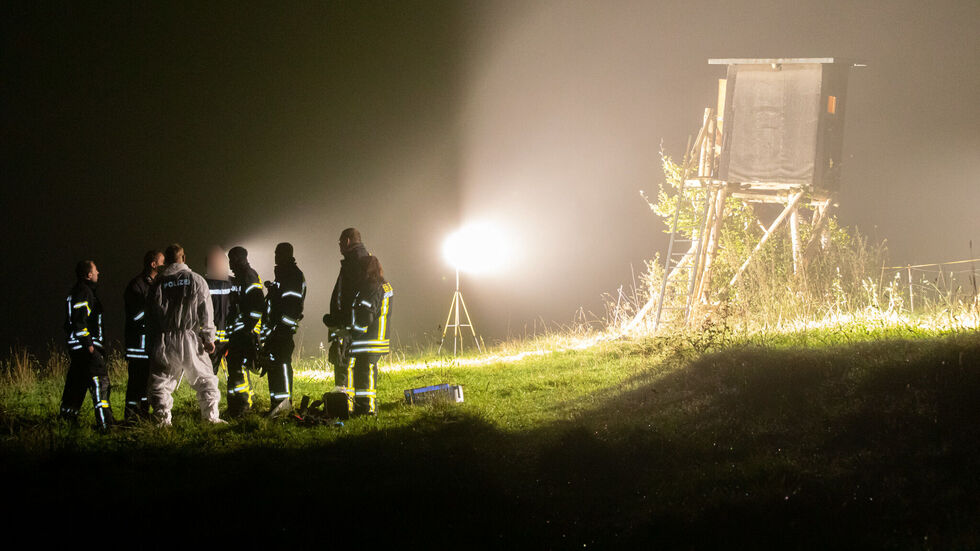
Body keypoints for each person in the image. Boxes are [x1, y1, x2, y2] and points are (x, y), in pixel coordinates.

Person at [145, 244, 224, 425]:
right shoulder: (196, 280)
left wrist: (151, 343)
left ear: (167, 260)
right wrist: (209, 338)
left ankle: (162, 421)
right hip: (190, 338)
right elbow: (206, 312)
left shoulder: (157, 283)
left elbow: (150, 317)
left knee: (161, 382)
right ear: (184, 258)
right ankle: (210, 418)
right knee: (205, 378)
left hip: (165, 339)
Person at [60, 260, 114, 432]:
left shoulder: (76, 291)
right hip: (87, 350)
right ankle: (106, 426)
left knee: (75, 386)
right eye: (96, 270)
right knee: (101, 384)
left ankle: (66, 423)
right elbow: (79, 322)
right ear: (89, 274)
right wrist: (90, 346)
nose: (99, 273)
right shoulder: (85, 292)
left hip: (77, 350)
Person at [259, 242, 306, 414]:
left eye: (278, 253)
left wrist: (281, 330)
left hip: (282, 331)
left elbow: (292, 307)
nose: (275, 256)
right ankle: (276, 405)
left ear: (286, 254)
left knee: (282, 364)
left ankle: (284, 405)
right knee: (274, 365)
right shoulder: (283, 275)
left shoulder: (292, 275)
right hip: (276, 330)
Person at [322, 228, 371, 387]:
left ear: (348, 241)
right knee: (346, 361)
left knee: (343, 361)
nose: (339, 246)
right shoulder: (361, 260)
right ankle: (346, 401)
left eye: (340, 242)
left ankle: (342, 402)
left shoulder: (354, 262)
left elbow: (348, 296)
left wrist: (340, 321)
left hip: (346, 325)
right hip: (350, 323)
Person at [346, 255, 393, 416]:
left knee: (364, 374)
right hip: (376, 339)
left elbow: (366, 315)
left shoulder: (371, 286)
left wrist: (353, 332)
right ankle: (364, 407)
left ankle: (367, 409)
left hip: (367, 340)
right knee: (365, 373)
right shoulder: (383, 284)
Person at [122, 249, 164, 422]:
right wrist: (152, 308)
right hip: (138, 346)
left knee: (148, 384)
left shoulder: (156, 284)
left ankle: (144, 416)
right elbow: (136, 316)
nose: (165, 265)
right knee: (136, 384)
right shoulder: (136, 285)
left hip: (149, 346)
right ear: (153, 264)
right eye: (162, 262)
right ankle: (131, 418)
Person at [226, 246, 264, 417]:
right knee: (235, 368)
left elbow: (257, 307)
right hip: (240, 331)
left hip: (246, 332)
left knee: (239, 368)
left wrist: (248, 329)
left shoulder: (249, 276)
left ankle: (242, 406)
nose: (230, 264)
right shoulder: (241, 277)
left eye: (232, 260)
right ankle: (236, 405)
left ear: (239, 259)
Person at [205, 246, 234, 375]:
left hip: (231, 338)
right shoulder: (203, 284)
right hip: (211, 339)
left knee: (238, 374)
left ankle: (239, 395)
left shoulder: (233, 283)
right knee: (209, 375)